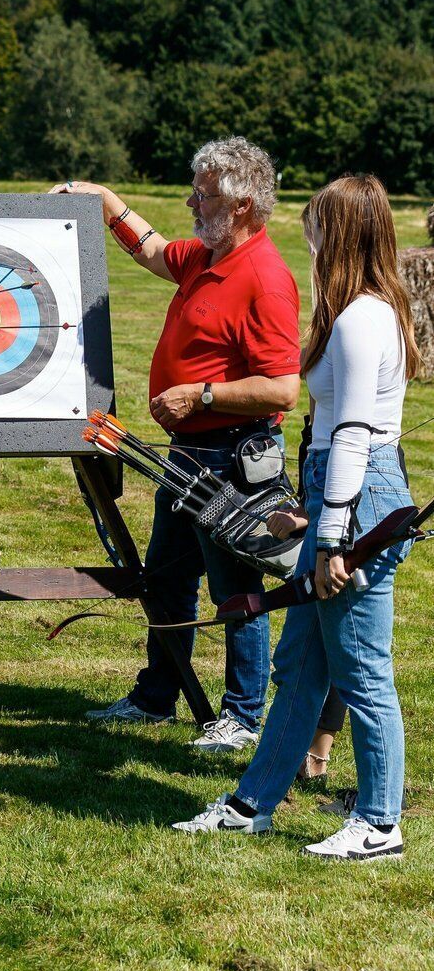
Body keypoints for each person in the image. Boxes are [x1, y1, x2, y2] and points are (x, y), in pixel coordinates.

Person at [173, 173, 419, 860]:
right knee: (300, 666)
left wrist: (332, 536)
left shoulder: (360, 317)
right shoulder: (358, 312)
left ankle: (377, 823)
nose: (304, 237)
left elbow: (352, 435)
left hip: (357, 501)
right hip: (342, 498)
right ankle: (252, 803)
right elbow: (333, 436)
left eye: (314, 226)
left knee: (361, 670)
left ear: (336, 233)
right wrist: (309, 515)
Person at [53, 137, 300, 751]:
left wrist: (203, 395)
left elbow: (282, 388)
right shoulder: (206, 254)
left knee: (237, 590)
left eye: (204, 194)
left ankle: (242, 717)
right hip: (188, 456)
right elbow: (156, 251)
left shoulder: (265, 278)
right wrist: (106, 201)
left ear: (241, 205)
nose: (192, 202)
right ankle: (157, 696)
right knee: (166, 580)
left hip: (233, 458)